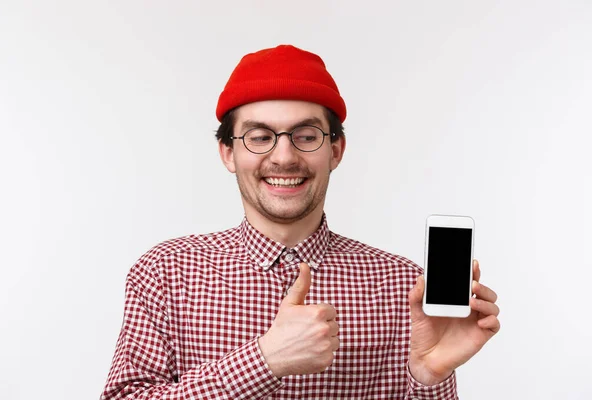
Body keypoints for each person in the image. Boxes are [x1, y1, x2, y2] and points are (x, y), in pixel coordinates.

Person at [100, 44, 500, 399]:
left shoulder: (404, 287)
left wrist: (430, 377)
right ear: (227, 153)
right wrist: (263, 362)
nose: (284, 157)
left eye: (306, 136)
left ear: (336, 150)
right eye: (259, 137)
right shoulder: (165, 273)